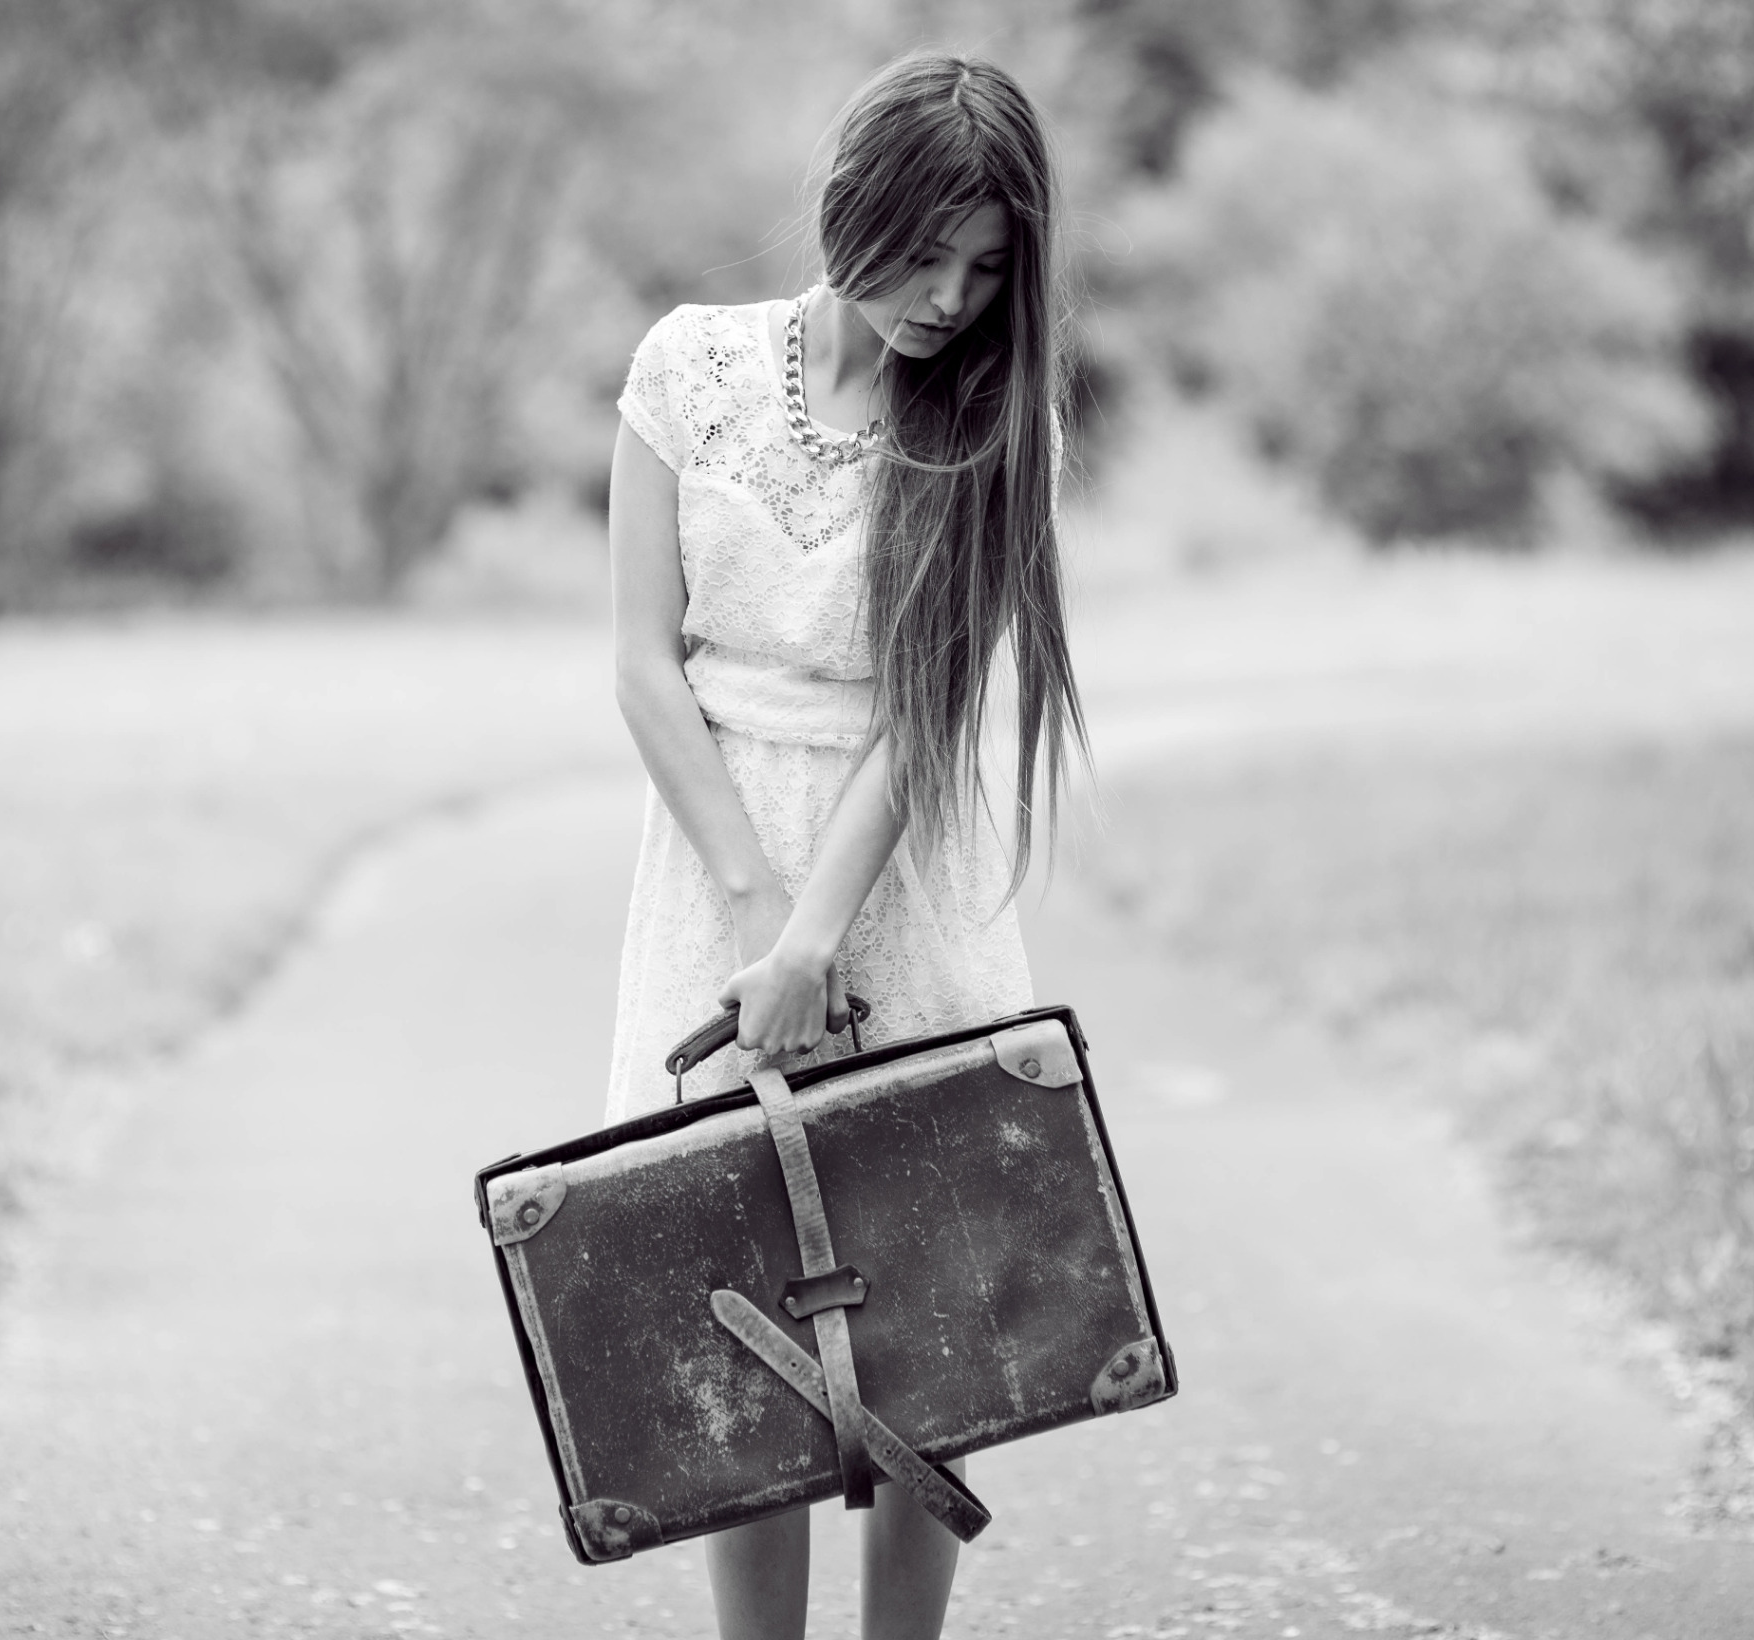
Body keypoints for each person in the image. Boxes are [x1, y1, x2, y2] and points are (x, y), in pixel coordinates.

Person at [603, 50, 1084, 1640]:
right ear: (849, 204)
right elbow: (643, 663)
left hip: (895, 874)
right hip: (716, 857)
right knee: (736, 1317)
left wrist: (814, 934)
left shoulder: (994, 421)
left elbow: (925, 715)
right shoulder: (687, 367)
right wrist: (755, 907)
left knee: (928, 1315)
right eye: (927, 251)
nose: (951, 299)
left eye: (988, 270)